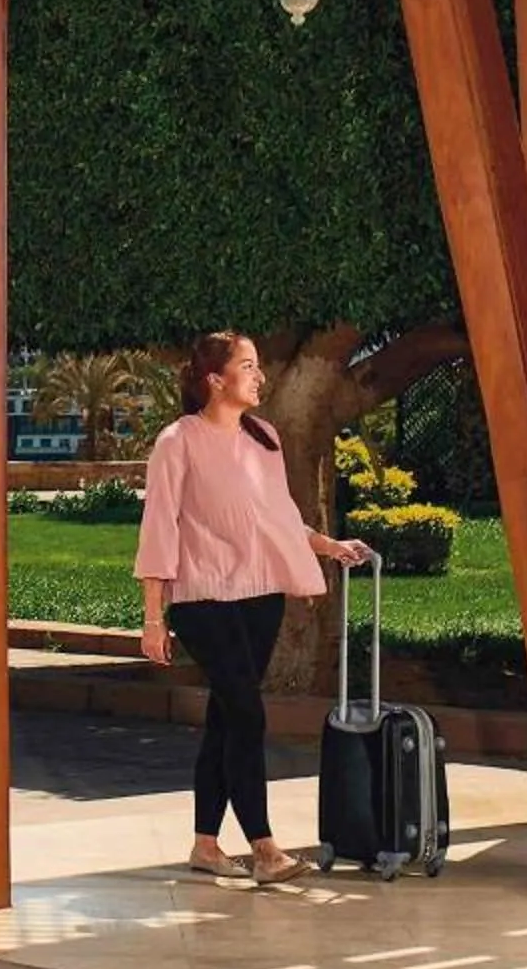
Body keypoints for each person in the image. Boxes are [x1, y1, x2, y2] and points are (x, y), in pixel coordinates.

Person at [136, 331, 373, 884]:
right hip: (202, 599)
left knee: (227, 718)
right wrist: (153, 616)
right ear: (214, 379)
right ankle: (265, 848)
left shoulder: (263, 437)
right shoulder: (178, 441)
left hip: (258, 597)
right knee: (247, 714)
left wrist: (329, 547)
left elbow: (278, 517)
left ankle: (204, 844)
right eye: (248, 365)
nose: (259, 375)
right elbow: (158, 529)